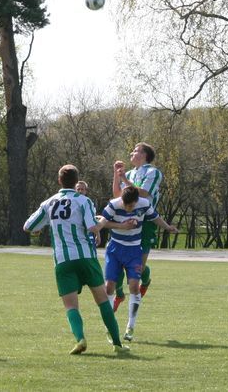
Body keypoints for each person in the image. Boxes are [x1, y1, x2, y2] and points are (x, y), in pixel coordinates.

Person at [23, 165, 129, 354]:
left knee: (71, 306)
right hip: (86, 257)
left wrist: (41, 227)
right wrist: (103, 222)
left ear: (59, 181)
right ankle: (117, 344)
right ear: (76, 181)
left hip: (63, 260)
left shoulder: (49, 203)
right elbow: (92, 227)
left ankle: (80, 339)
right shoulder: (83, 200)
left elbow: (28, 226)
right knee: (102, 300)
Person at [99, 185, 178, 342]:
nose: (128, 208)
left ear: (137, 201)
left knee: (134, 286)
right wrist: (121, 226)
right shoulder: (114, 205)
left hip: (134, 249)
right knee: (109, 287)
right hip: (115, 249)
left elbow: (155, 217)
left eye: (131, 206)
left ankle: (130, 326)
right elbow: (102, 222)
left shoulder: (144, 204)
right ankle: (110, 326)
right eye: (126, 205)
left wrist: (167, 227)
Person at [112, 142, 163, 311]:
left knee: (136, 268)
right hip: (125, 220)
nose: (132, 153)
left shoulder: (153, 172)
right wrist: (116, 175)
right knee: (118, 263)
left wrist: (124, 180)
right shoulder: (129, 173)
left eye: (136, 151)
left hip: (145, 222)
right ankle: (119, 294)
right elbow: (117, 195)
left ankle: (145, 281)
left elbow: (144, 193)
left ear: (144, 155)